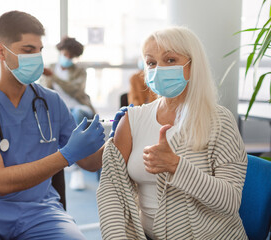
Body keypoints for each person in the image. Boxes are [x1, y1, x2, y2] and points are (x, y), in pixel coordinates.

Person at [0, 11, 105, 240]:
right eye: (28, 51)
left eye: (39, 51)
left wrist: (120, 137)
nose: (36, 59)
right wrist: (66, 155)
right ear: (1, 52)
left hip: (40, 209)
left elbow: (88, 162)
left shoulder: (51, 102)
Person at [96, 26, 248, 239]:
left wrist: (176, 166)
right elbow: (112, 190)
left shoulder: (219, 120)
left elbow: (230, 202)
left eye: (170, 60)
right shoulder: (133, 119)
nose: (159, 69)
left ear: (193, 65)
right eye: (151, 62)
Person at [41, 36, 95, 190]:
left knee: (77, 114)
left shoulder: (79, 71)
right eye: (66, 54)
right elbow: (43, 90)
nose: (67, 58)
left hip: (78, 105)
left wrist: (53, 76)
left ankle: (76, 167)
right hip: (57, 108)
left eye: (71, 56)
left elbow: (75, 90)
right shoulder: (51, 67)